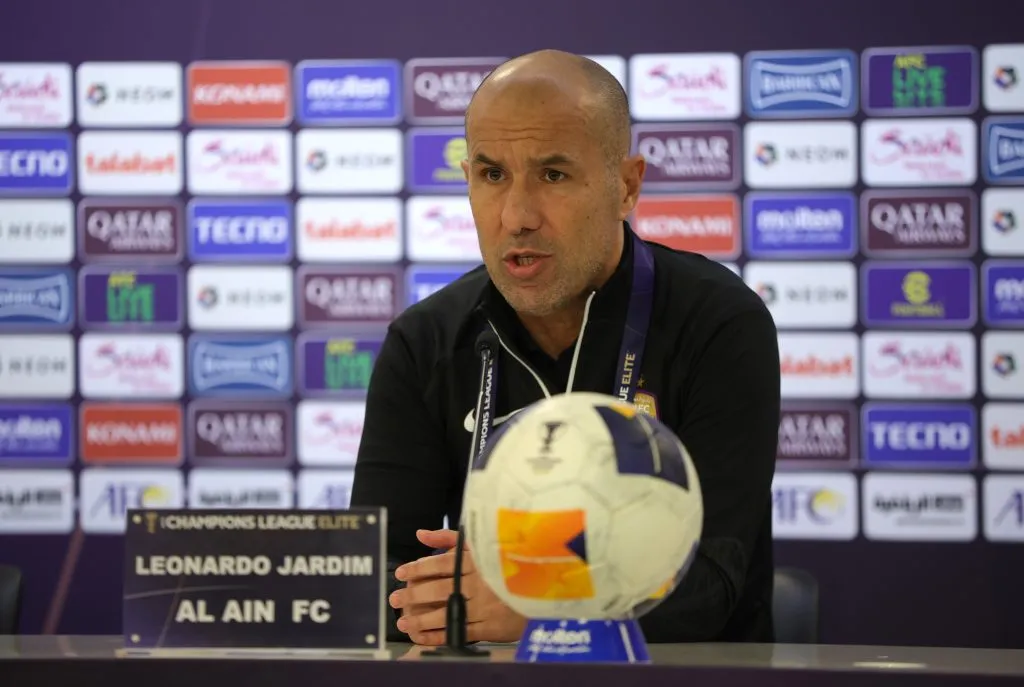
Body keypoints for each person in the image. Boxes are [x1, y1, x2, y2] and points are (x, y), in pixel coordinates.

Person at [350, 49, 780, 646]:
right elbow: (380, 587)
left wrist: (537, 608)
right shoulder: (425, 341)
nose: (517, 216)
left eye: (553, 175)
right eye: (491, 174)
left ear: (626, 187)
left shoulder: (718, 323)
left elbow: (713, 584)